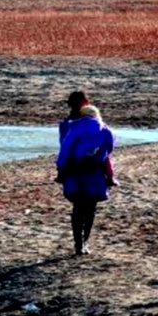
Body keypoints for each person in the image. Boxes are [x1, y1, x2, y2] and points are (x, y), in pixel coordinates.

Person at [55, 90, 117, 255]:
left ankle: (80, 244)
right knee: (88, 207)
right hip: (92, 169)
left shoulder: (70, 124)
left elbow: (64, 147)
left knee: (80, 207)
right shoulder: (98, 124)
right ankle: (83, 243)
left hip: (75, 169)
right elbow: (108, 149)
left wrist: (61, 168)